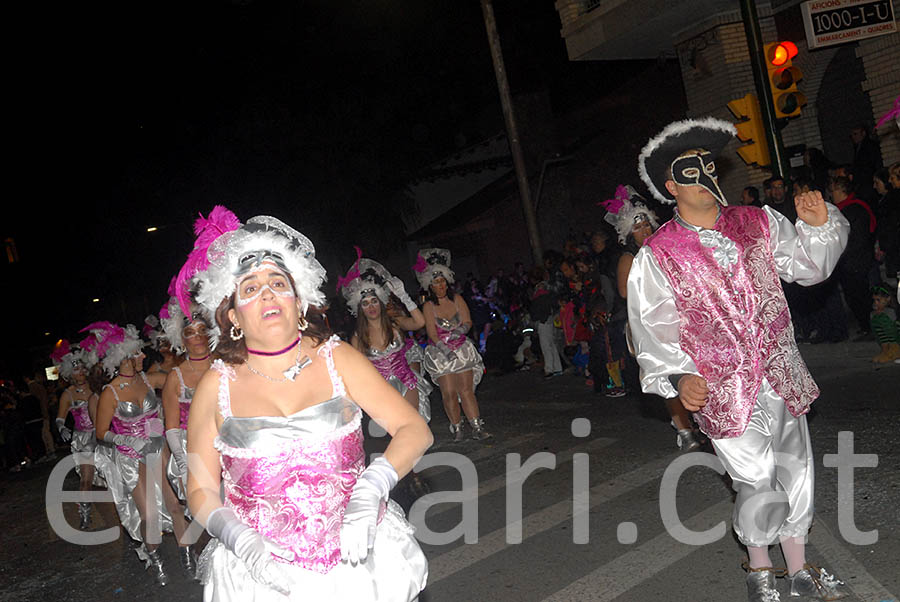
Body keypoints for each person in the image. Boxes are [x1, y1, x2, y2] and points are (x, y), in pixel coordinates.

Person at [631, 117, 850, 601]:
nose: (707, 177)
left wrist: (818, 229)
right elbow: (653, 327)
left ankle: (798, 567)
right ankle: (759, 568)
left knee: (796, 467)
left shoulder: (758, 221)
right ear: (671, 185)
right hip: (724, 387)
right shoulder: (660, 254)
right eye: (692, 171)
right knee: (756, 477)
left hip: (779, 370)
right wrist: (679, 375)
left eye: (710, 166)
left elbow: (807, 268)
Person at [186, 208, 431, 600]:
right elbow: (199, 486)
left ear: (299, 302)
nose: (266, 293)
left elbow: (414, 429)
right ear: (233, 315)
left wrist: (372, 488)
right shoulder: (215, 387)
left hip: (360, 565)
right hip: (264, 579)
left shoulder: (339, 359)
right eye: (250, 288)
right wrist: (239, 537)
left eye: (278, 282)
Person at [604, 184, 701, 447]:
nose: (644, 230)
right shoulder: (629, 258)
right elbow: (626, 293)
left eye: (646, 224)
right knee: (668, 375)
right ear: (628, 232)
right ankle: (684, 430)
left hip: (675, 319)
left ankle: (700, 420)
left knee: (693, 368)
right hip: (646, 326)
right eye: (637, 227)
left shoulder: (662, 247)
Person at [82, 321, 175, 586]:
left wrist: (156, 437)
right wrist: (127, 441)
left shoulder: (146, 380)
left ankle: (185, 551)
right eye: (136, 353)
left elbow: (159, 408)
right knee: (147, 514)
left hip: (154, 450)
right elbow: (101, 432)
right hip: (128, 457)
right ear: (123, 358)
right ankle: (154, 558)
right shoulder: (108, 393)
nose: (142, 356)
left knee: (173, 504)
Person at [338, 251, 432, 495]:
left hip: (406, 381)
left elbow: (420, 322)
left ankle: (415, 475)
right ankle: (407, 474)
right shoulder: (358, 336)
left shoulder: (396, 323)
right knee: (395, 436)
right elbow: (355, 369)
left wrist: (403, 296)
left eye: (374, 301)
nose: (370, 306)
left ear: (380, 301)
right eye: (365, 303)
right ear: (360, 307)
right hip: (382, 391)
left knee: (413, 427)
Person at [159, 293, 213, 578]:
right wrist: (181, 461)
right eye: (191, 332)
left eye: (202, 330)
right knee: (203, 514)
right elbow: (170, 426)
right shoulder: (175, 377)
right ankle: (200, 560)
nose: (198, 337)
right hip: (190, 454)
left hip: (226, 449)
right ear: (182, 339)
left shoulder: (224, 365)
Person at [413, 248, 491, 441]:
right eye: (436, 282)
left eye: (442, 281)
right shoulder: (428, 306)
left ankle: (476, 426)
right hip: (441, 354)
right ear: (429, 285)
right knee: (448, 392)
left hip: (462, 350)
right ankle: (457, 428)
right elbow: (431, 333)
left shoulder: (457, 299)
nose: (440, 285)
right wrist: (445, 349)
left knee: (466, 390)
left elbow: (467, 321)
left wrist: (459, 331)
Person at [51, 340, 104, 529]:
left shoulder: (95, 387)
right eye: (76, 370)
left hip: (103, 436)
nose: (80, 372)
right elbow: (60, 418)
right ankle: (84, 514)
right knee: (86, 480)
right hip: (84, 441)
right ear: (69, 373)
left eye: (82, 368)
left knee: (115, 477)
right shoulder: (68, 394)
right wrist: (62, 427)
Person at [831, 175, 877, 339]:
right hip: (849, 262)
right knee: (854, 296)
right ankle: (865, 326)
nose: (832, 194)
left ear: (841, 190)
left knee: (860, 296)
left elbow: (858, 237)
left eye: (833, 190)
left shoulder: (854, 209)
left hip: (856, 261)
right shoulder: (844, 209)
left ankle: (869, 328)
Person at [869, 283, 900, 363]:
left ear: (888, 298)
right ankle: (886, 349)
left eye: (878, 300)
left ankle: (895, 349)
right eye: (874, 300)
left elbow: (894, 331)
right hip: (887, 344)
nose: (875, 303)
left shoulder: (892, 312)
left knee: (885, 321)